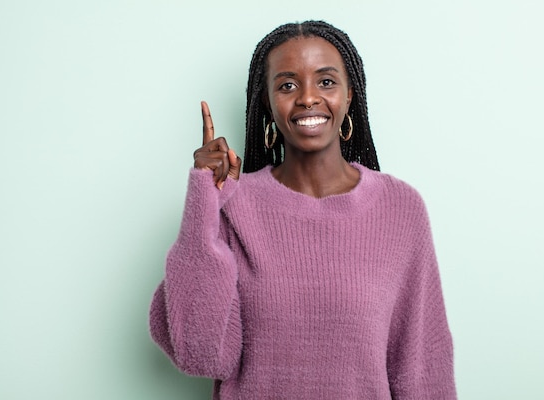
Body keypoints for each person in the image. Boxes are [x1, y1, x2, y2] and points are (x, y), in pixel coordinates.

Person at [149, 20, 456, 399]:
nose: (308, 97)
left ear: (349, 96)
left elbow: (423, 369)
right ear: (267, 101)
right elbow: (200, 353)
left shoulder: (401, 209)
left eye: (326, 81)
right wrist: (204, 202)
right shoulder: (234, 204)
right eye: (288, 85)